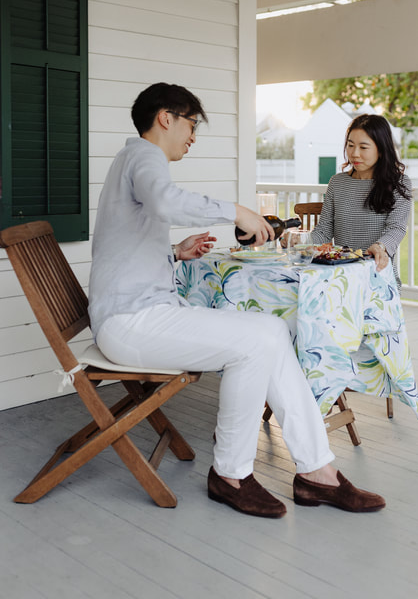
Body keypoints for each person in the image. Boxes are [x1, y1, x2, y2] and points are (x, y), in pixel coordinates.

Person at [88, 83, 385, 518]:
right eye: (191, 124)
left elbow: (125, 241)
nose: (193, 136)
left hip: (139, 312)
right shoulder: (143, 156)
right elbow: (165, 201)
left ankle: (316, 471)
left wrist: (173, 252)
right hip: (131, 322)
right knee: (257, 340)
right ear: (166, 118)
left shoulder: (132, 160)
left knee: (272, 331)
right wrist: (237, 210)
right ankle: (231, 474)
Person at [311, 114, 412, 289]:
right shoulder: (337, 182)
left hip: (377, 274)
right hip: (340, 276)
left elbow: (396, 228)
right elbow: (324, 232)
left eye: (363, 147)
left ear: (380, 150)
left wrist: (380, 247)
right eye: (350, 145)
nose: (354, 153)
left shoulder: (399, 184)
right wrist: (298, 240)